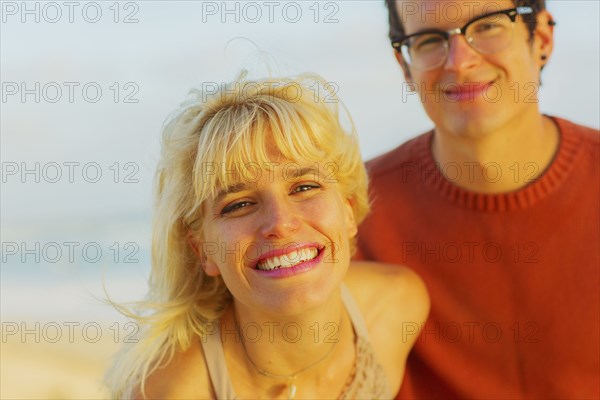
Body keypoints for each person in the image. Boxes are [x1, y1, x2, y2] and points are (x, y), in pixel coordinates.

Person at [105, 72, 429, 399]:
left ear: (347, 210)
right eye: (239, 204)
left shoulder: (396, 306)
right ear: (203, 250)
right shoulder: (172, 391)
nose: (280, 222)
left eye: (304, 187)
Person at [356, 0, 599, 398]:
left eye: (486, 26)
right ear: (405, 66)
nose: (459, 60)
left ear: (540, 38)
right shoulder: (347, 214)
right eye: (429, 39)